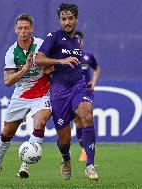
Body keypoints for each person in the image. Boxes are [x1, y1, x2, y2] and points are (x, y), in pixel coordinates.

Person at [0, 14, 52, 186]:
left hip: (42, 92)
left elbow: (51, 65)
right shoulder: (11, 52)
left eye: (26, 28)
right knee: (7, 133)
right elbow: (8, 81)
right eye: (20, 28)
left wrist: (49, 67)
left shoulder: (41, 45)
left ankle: (25, 164)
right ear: (15, 30)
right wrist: (26, 68)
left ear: (32, 29)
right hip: (21, 94)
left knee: (41, 122)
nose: (23, 31)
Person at [35, 3, 99, 181]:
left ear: (76, 19)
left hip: (78, 86)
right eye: (63, 19)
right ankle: (66, 158)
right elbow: (38, 59)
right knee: (64, 139)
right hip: (59, 93)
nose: (67, 22)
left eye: (70, 18)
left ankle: (90, 165)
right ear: (59, 20)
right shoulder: (54, 37)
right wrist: (61, 62)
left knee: (87, 113)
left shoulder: (77, 41)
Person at [74, 31, 101, 162]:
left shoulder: (88, 57)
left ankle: (87, 150)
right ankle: (83, 146)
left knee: (87, 117)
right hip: (72, 92)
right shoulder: (66, 57)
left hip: (86, 92)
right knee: (77, 120)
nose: (77, 41)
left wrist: (94, 82)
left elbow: (96, 69)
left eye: (79, 39)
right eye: (75, 39)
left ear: (82, 41)